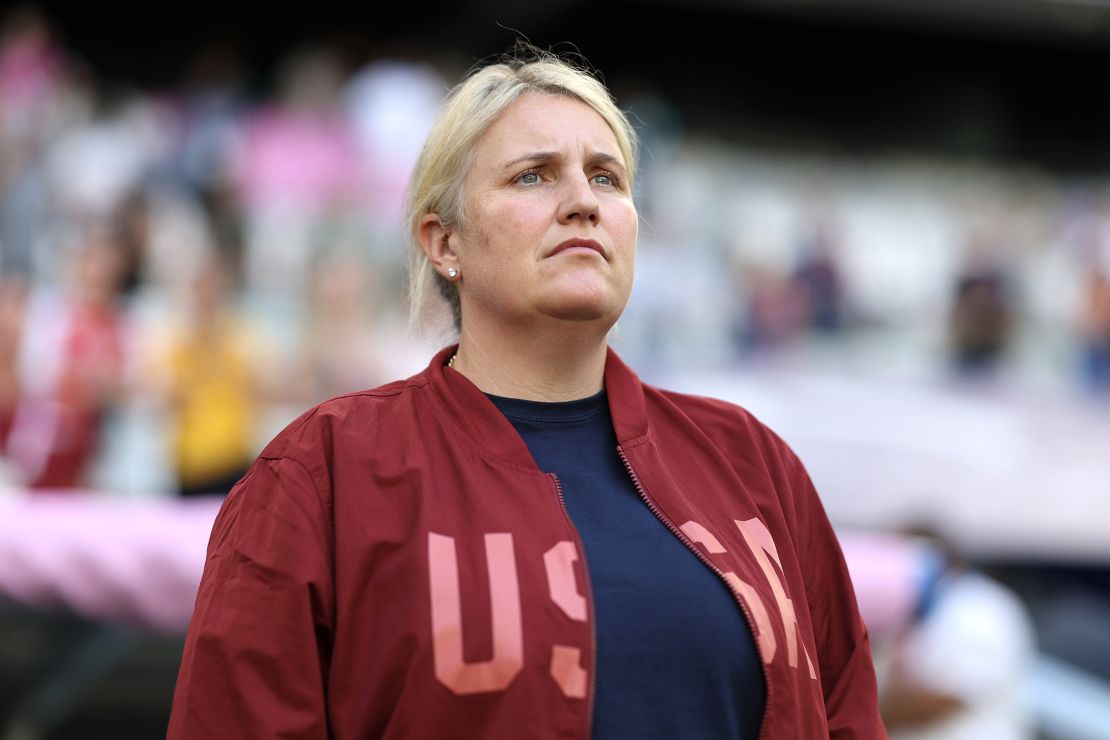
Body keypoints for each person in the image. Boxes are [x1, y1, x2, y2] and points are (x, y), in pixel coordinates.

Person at [167, 47, 885, 739]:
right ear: (444, 243)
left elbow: (847, 716)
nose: (582, 201)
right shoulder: (322, 474)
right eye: (534, 176)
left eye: (606, 177)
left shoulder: (752, 464)